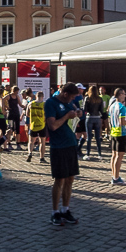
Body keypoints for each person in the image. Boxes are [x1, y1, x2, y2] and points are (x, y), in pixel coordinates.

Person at [45, 83, 82, 226]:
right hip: (58, 146)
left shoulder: (69, 103)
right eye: (72, 96)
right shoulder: (51, 103)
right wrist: (67, 116)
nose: (73, 99)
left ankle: (66, 209)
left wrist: (77, 113)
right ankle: (55, 212)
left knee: (70, 178)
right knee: (59, 179)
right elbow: (52, 125)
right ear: (65, 94)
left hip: (71, 144)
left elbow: (74, 112)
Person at [108, 87, 126, 185]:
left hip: (113, 132)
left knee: (114, 155)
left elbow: (109, 120)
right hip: (121, 133)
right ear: (119, 95)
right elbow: (122, 122)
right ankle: (116, 177)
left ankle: (114, 175)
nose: (125, 95)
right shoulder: (122, 107)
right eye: (123, 94)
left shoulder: (111, 106)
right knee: (119, 157)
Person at [83, 86, 105, 160]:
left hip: (89, 117)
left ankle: (88, 154)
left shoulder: (87, 98)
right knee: (97, 137)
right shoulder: (100, 99)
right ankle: (99, 154)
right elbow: (101, 110)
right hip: (97, 118)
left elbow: (84, 109)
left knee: (89, 137)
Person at [25, 91, 47, 164]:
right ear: (42, 96)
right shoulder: (44, 105)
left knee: (31, 141)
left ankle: (30, 153)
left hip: (33, 125)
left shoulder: (30, 103)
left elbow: (27, 114)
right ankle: (41, 158)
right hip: (42, 125)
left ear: (36, 96)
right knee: (42, 142)